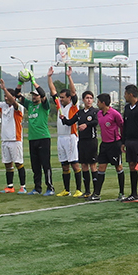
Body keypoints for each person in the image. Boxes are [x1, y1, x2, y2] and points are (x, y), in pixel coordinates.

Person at [0, 78, 27, 193]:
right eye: (4, 96)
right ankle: (10, 186)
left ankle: (23, 186)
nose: (5, 98)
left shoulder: (18, 107)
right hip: (5, 139)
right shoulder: (3, 106)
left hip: (15, 139)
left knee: (18, 162)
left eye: (7, 96)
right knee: (8, 164)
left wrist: (4, 88)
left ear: (13, 97)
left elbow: (14, 102)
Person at [17, 74, 54, 195]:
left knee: (45, 165)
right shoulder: (30, 105)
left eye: (36, 95)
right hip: (32, 139)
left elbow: (43, 94)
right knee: (35, 166)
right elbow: (16, 95)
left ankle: (50, 187)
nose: (34, 97)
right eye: (33, 95)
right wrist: (21, 82)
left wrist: (34, 81)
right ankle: (37, 188)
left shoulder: (44, 105)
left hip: (43, 138)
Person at [48, 67, 82, 197]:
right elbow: (52, 91)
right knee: (64, 165)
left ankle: (78, 189)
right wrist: (49, 77)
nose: (61, 99)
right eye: (60, 97)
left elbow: (73, 91)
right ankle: (66, 190)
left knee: (74, 164)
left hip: (71, 137)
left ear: (69, 98)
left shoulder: (73, 105)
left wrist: (69, 77)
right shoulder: (59, 105)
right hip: (61, 138)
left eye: (63, 97)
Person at [61, 90, 100, 198]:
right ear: (83, 100)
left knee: (93, 165)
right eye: (87, 98)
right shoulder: (79, 113)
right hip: (81, 141)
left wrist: (86, 125)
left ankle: (96, 191)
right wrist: (64, 119)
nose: (89, 100)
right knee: (83, 165)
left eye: (91, 98)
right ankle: (87, 191)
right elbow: (70, 122)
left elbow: (96, 122)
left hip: (91, 141)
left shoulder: (95, 111)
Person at [92, 93, 125, 200]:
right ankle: (97, 194)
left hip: (115, 144)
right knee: (101, 168)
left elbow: (122, 126)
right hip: (104, 144)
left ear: (103, 103)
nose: (96, 104)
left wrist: (123, 142)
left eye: (98, 102)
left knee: (118, 167)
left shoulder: (115, 114)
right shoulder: (99, 114)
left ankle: (121, 193)